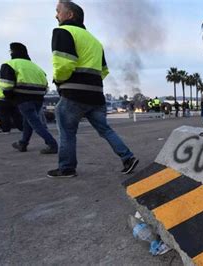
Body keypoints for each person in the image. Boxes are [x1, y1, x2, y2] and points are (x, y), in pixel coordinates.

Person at [48, 1, 138, 178]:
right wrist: (90, 84)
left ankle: (66, 168)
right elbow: (104, 71)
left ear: (70, 15)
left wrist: (58, 80)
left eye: (58, 11)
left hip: (73, 95)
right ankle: (127, 157)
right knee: (105, 130)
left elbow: (64, 63)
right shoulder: (95, 42)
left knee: (67, 132)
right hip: (96, 96)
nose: (56, 15)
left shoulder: (63, 31)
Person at [0, 43, 58, 153]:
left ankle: (52, 144)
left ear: (12, 52)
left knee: (35, 123)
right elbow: (45, 85)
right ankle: (23, 143)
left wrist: (11, 98)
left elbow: (7, 85)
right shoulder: (36, 67)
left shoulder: (9, 64)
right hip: (38, 98)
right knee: (28, 122)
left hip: (22, 98)